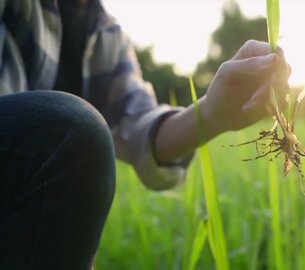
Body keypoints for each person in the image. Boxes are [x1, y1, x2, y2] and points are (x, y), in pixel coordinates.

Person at [0, 0, 289, 269]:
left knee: (75, 134)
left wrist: (212, 113)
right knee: (70, 130)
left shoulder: (104, 32)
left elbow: (140, 128)